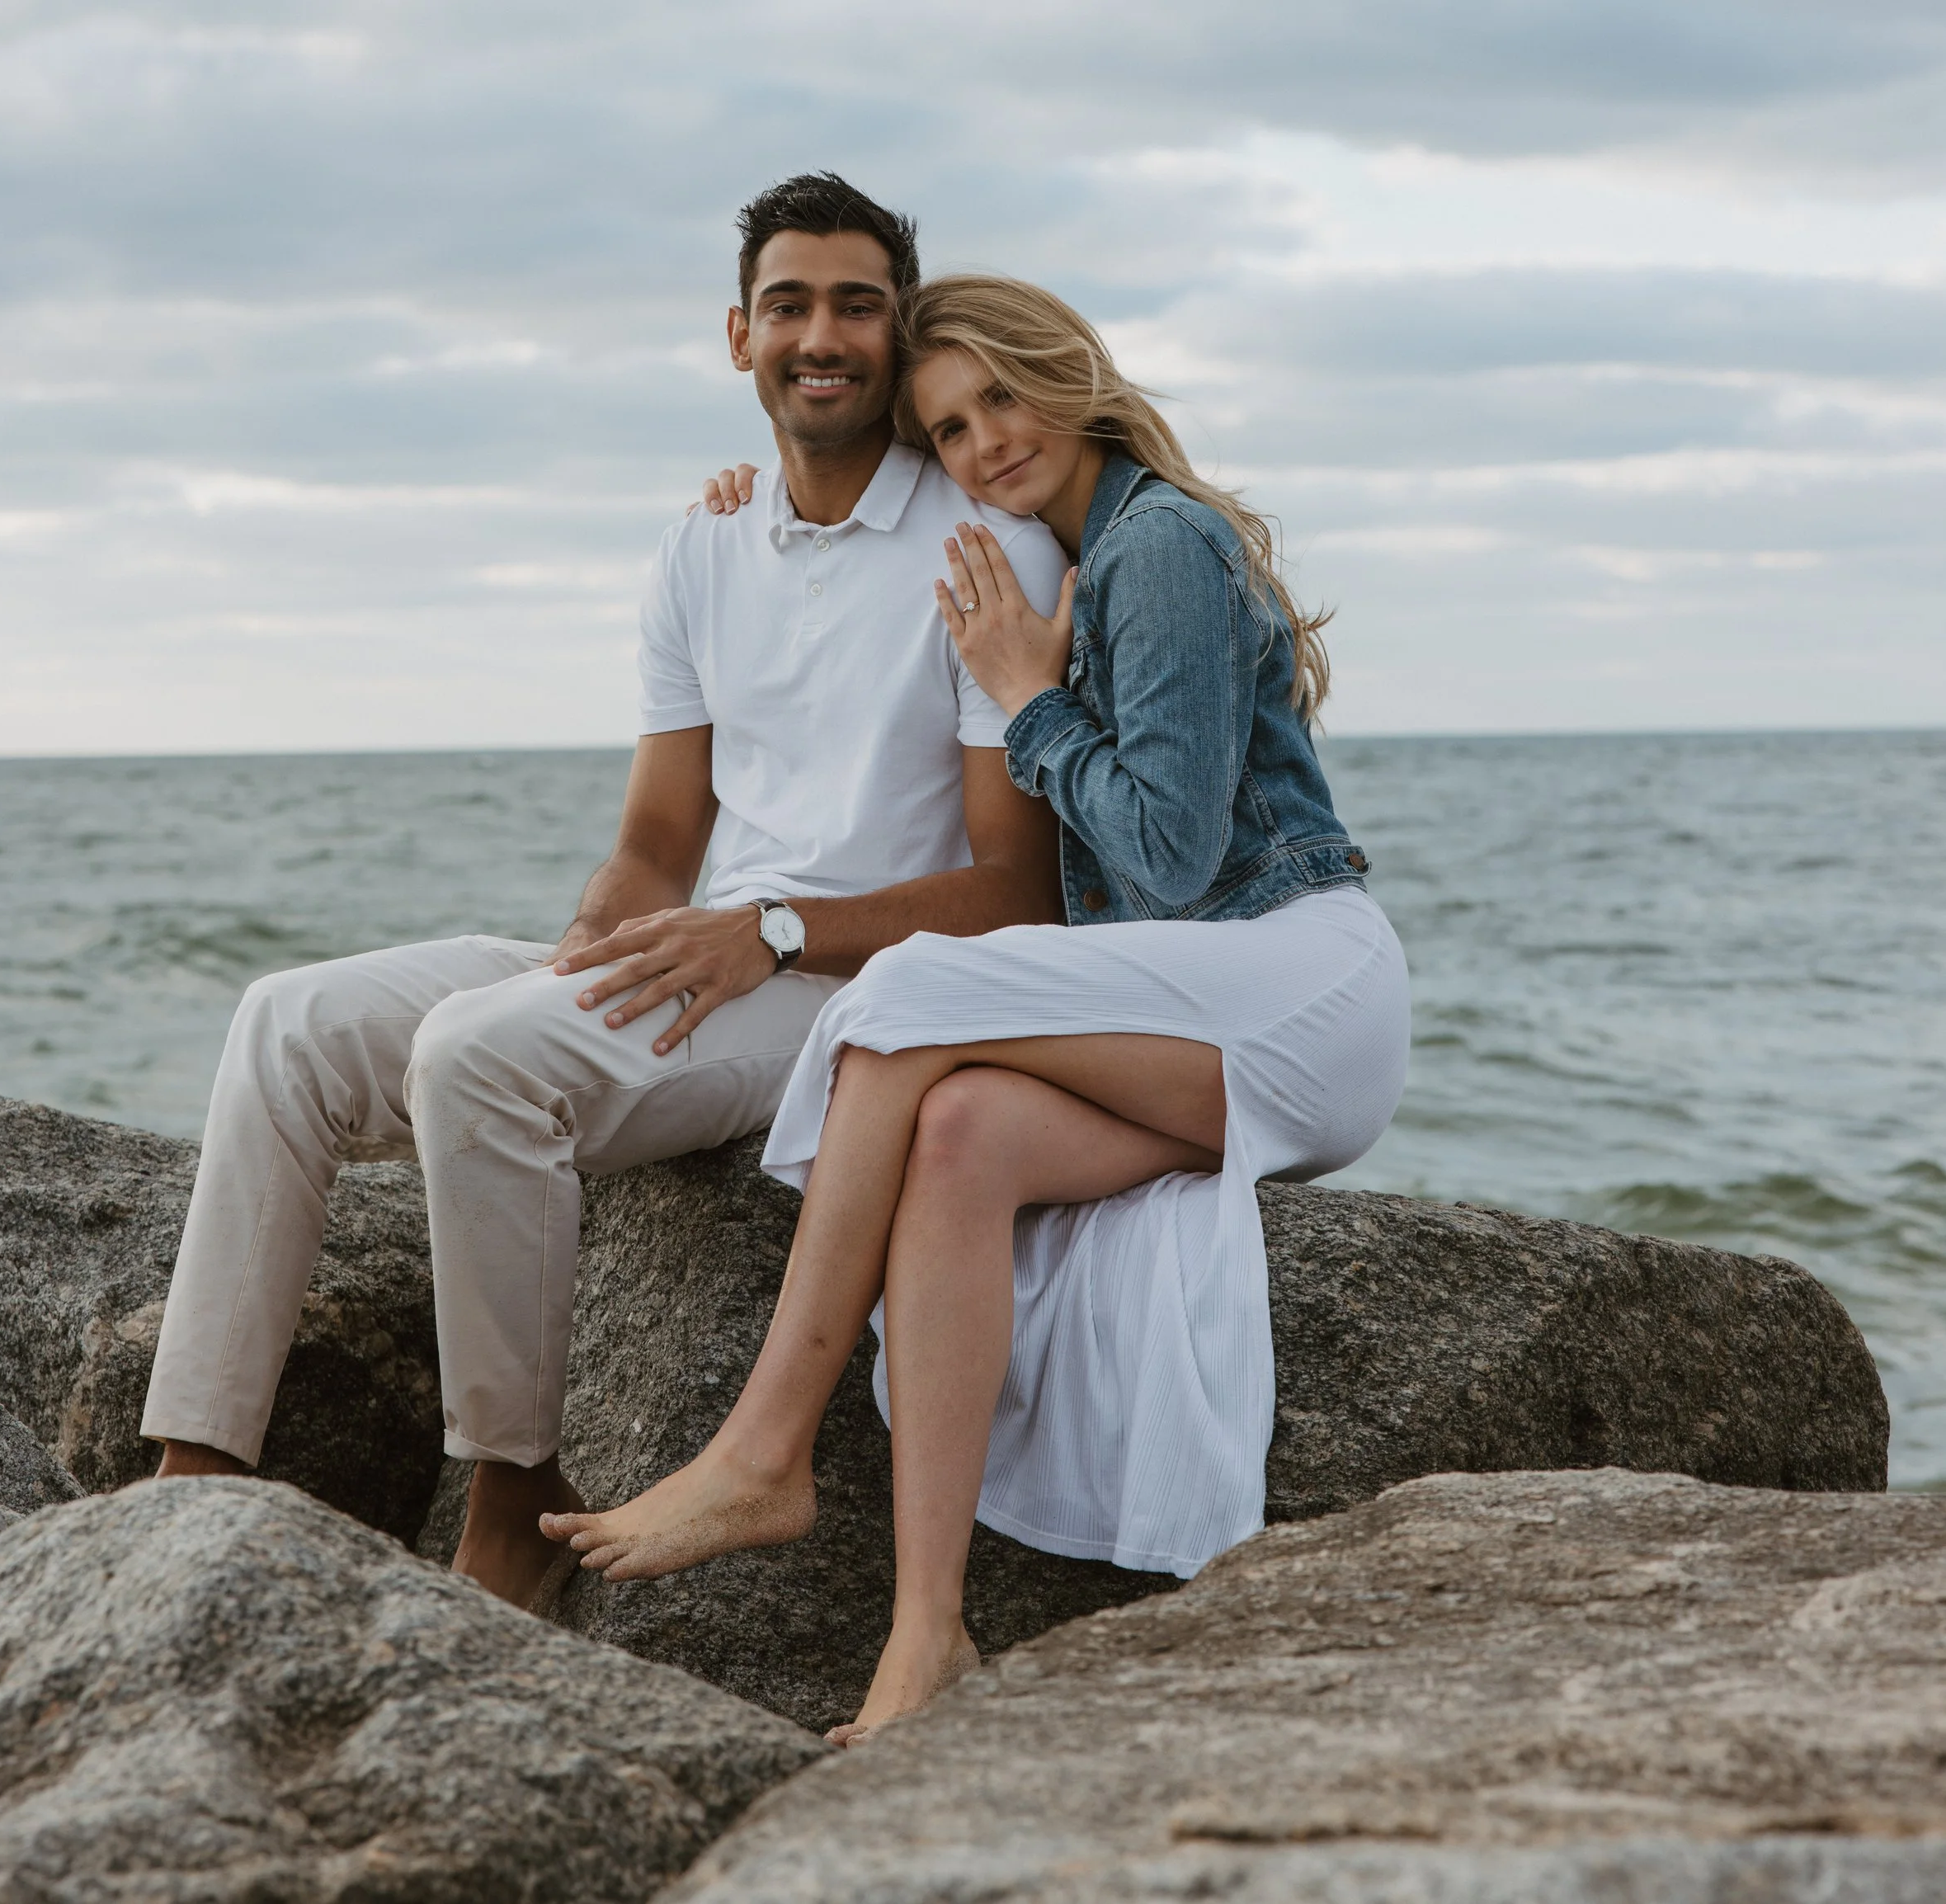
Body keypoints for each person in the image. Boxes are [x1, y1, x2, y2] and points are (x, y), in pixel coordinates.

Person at [140, 184, 1064, 1609]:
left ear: (901, 329)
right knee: (287, 1022)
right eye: (789, 305)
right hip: (708, 952)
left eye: (857, 305)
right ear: (740, 336)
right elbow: (657, 838)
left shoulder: (985, 549)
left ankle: (513, 1493)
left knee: (478, 1058)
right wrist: (587, 944)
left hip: (853, 994)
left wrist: (769, 935)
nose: (821, 337)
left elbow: (1015, 890)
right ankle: (194, 1472)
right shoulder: (703, 541)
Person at [549, 275, 1410, 1739]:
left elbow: (1171, 857)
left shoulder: (1157, 546)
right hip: (1191, 1028)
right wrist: (748, 503)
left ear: (1072, 376)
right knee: (960, 1134)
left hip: (1293, 979)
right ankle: (927, 1632)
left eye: (1004, 397)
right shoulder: (1054, 554)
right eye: (948, 428)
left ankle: (764, 1447)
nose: (985, 442)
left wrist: (1030, 697)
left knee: (907, 996)